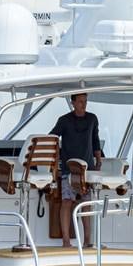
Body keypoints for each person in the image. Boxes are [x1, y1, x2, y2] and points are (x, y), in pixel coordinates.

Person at [49, 93, 104, 247]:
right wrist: (57, 160)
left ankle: (87, 240)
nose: (83, 104)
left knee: (86, 203)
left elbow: (95, 141)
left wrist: (98, 160)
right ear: (73, 102)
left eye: (85, 101)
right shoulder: (64, 120)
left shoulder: (92, 118)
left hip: (88, 170)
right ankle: (66, 241)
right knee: (67, 201)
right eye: (80, 101)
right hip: (68, 169)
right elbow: (52, 138)